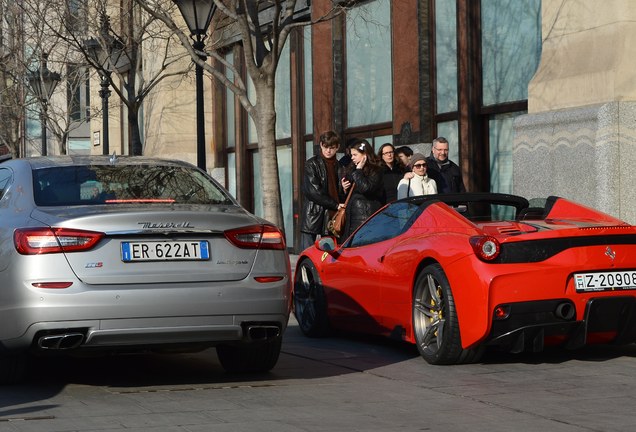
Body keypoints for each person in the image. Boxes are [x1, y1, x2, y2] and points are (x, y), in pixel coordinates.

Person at [299, 131, 345, 251]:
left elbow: (339, 192)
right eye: (325, 147)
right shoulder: (312, 164)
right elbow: (314, 192)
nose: (328, 151)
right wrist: (335, 205)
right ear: (321, 145)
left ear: (337, 148)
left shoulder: (340, 166)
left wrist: (344, 189)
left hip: (331, 215)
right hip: (313, 213)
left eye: (332, 148)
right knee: (307, 253)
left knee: (328, 254)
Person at [339, 139, 384, 240]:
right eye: (351, 155)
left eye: (355, 155)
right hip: (351, 217)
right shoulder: (351, 169)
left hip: (366, 216)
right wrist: (344, 189)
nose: (352, 158)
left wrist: (359, 170)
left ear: (364, 154)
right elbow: (347, 196)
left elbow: (366, 188)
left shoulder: (376, 169)